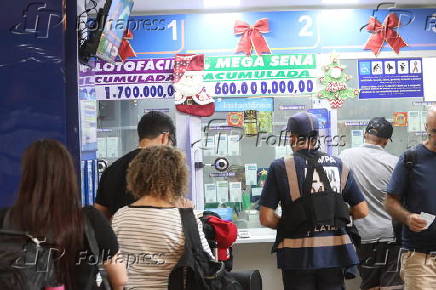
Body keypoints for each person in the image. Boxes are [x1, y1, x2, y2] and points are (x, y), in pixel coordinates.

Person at [259, 112, 368, 290]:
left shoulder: (280, 167)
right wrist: (333, 213)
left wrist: (289, 223)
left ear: (292, 137)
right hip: (334, 253)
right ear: (317, 137)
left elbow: (266, 218)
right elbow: (362, 211)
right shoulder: (339, 165)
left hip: (296, 256)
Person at [0, 139, 127, 289]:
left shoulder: (5, 220)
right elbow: (120, 279)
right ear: (68, 176)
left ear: (27, 176)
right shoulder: (90, 220)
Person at [111, 145, 212, 290]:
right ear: (177, 178)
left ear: (136, 175)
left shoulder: (120, 217)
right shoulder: (185, 220)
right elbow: (206, 263)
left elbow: (115, 264)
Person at [340, 117, 403, 290]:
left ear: (365, 134)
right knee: (392, 286)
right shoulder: (395, 162)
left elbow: (338, 194)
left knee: (369, 284)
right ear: (385, 141)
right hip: (391, 236)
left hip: (363, 236)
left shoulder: (344, 157)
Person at [385, 106, 436, 289]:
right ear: (426, 128)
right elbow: (390, 202)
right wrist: (407, 217)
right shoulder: (411, 159)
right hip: (421, 258)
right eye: (434, 132)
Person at [95, 110, 177, 219]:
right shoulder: (165, 170)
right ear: (164, 137)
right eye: (171, 141)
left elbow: (99, 214)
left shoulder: (111, 170)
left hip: (119, 233)